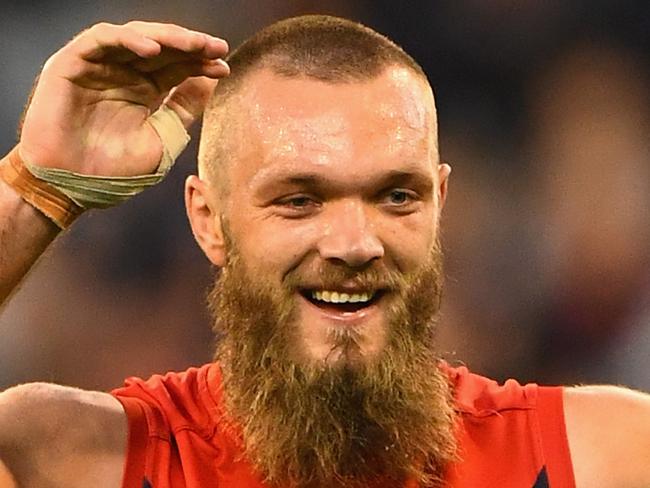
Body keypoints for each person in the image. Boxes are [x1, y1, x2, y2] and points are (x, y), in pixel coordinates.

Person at [0, 15, 649, 488]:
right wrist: (34, 192)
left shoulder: (603, 457)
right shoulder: (82, 458)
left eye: (396, 196)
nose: (354, 244)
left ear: (440, 204)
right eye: (299, 200)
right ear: (208, 219)